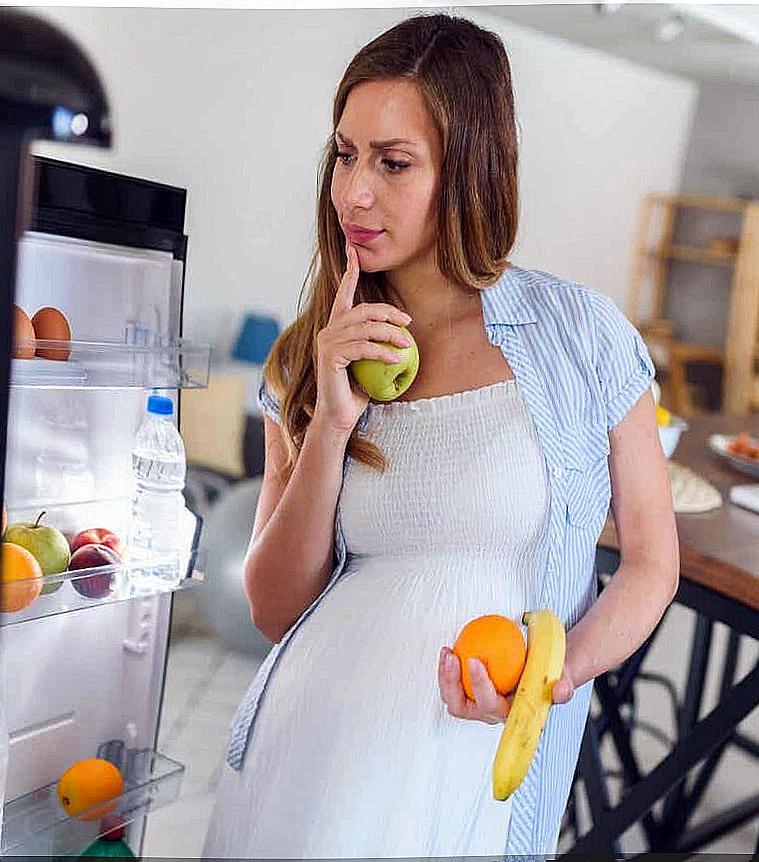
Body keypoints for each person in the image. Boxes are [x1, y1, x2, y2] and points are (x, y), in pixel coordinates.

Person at [203, 13, 679, 859]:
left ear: (469, 169)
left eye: (394, 163)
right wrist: (332, 424)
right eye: (346, 154)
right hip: (315, 743)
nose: (355, 192)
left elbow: (650, 565)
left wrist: (550, 677)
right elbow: (275, 610)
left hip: (475, 755)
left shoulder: (584, 339)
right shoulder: (306, 357)